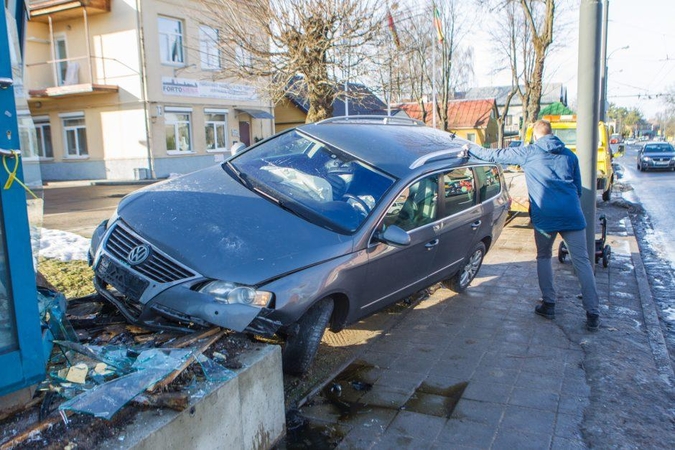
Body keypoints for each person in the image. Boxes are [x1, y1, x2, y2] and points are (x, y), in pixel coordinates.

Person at [463, 119, 600, 331]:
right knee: (582, 261)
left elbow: (495, 155)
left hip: (545, 216)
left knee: (544, 257)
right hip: (572, 215)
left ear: (535, 135)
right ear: (552, 134)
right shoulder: (570, 156)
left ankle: (549, 304)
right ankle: (593, 314)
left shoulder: (529, 152)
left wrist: (469, 147)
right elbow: (578, 189)